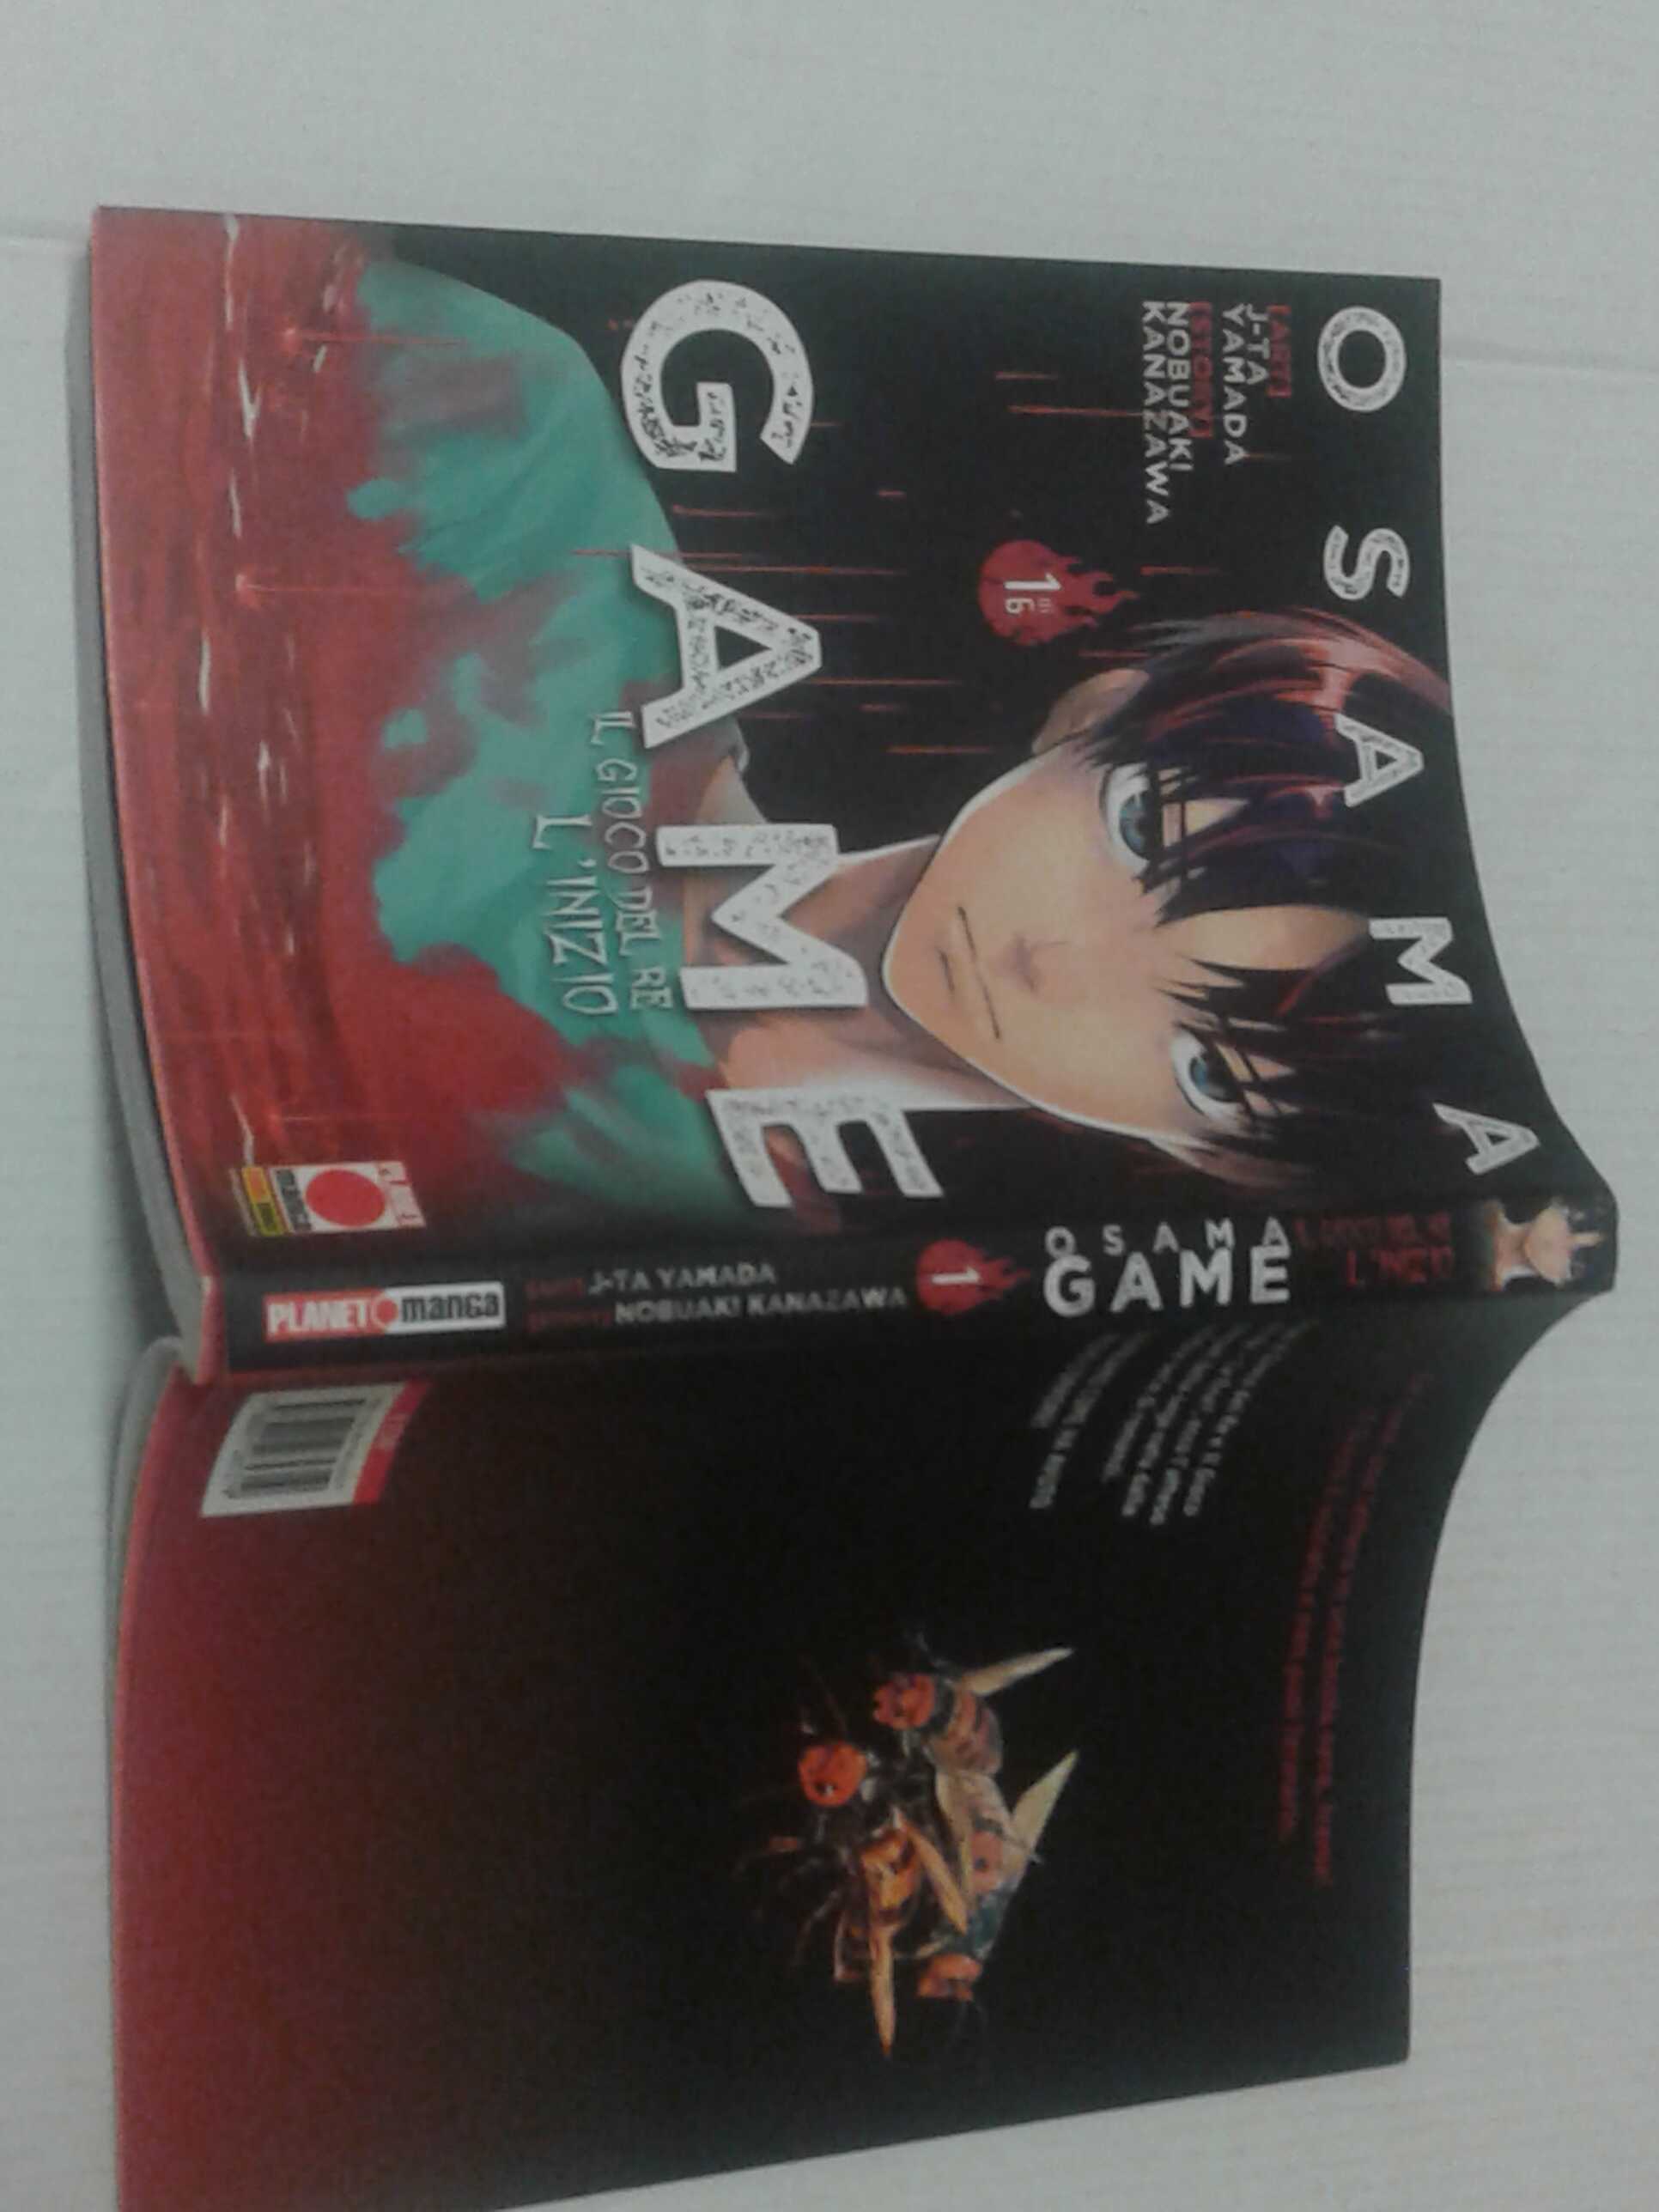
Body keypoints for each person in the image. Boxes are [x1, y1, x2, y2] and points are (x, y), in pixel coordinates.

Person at [342, 246, 1457, 1222]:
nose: (1053, 962)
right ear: (1098, 711)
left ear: (1218, 1159)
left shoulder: (710, 1262)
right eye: (1141, 833)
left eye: (1206, 1065)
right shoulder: (545, 491)